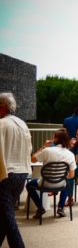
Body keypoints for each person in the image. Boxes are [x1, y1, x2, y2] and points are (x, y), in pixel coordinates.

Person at [0, 92, 32, 248]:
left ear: (2, 107)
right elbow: (29, 149)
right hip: (22, 174)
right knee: (5, 216)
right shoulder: (22, 124)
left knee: (7, 217)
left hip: (6, 176)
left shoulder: (1, 124)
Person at [26, 128, 76, 219]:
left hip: (46, 183)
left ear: (56, 139)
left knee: (29, 184)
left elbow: (33, 159)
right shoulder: (70, 154)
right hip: (60, 183)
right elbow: (72, 175)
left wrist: (43, 146)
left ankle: (40, 207)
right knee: (66, 181)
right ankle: (60, 207)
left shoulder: (48, 150)